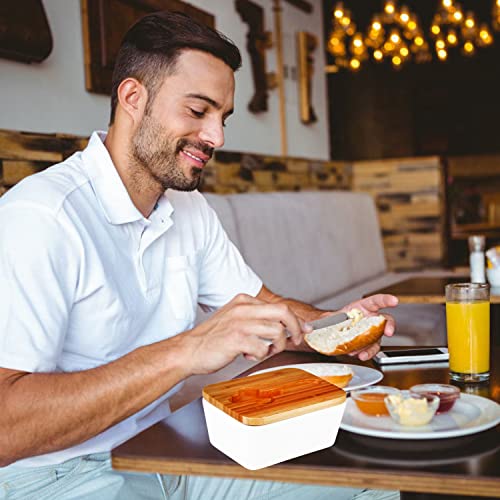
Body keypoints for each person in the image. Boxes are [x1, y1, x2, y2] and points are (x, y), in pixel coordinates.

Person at [0, 10, 399, 500]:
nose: (217, 137)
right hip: (58, 475)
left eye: (222, 117)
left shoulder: (187, 208)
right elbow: (4, 429)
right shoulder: (41, 216)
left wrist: (334, 327)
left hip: (164, 451)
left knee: (370, 483)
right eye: (198, 111)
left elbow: (264, 308)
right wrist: (188, 350)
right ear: (133, 97)